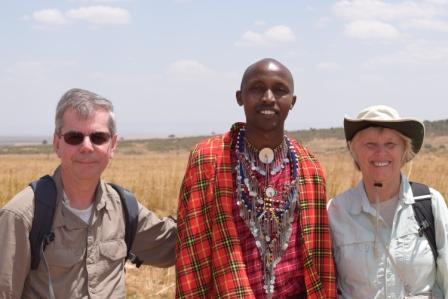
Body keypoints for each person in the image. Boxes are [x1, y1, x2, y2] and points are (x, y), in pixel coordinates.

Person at [176, 58, 337, 298]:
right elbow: (192, 253)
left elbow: (318, 254)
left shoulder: (309, 166)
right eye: (257, 88)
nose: (268, 98)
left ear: (292, 102)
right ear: (239, 97)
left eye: (280, 90)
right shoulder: (208, 159)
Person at [0, 88, 176, 298]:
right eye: (74, 137)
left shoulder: (123, 208)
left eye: (98, 137)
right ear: (57, 144)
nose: (87, 147)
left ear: (113, 145)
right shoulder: (22, 215)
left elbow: (176, 245)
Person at [327, 105, 448, 298]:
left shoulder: (430, 204)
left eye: (391, 144)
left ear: (404, 151)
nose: (381, 153)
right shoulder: (335, 212)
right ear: (354, 151)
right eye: (370, 144)